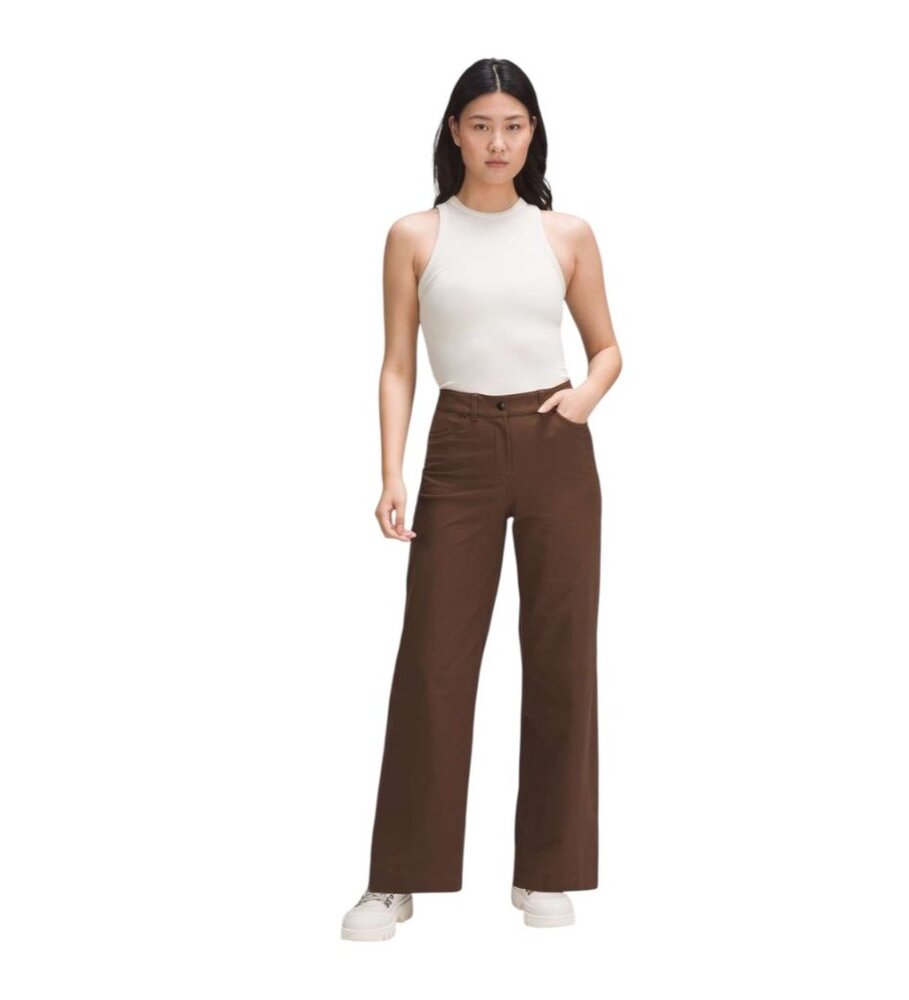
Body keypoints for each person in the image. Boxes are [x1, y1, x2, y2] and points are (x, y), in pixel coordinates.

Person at [341, 58, 622, 941]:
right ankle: (396, 878)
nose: (498, 142)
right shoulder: (415, 235)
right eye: (480, 125)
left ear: (533, 133)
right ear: (454, 133)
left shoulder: (565, 234)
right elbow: (397, 364)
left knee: (562, 655)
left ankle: (548, 871)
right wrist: (391, 473)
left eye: (514, 125)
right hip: (458, 443)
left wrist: (581, 401)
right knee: (433, 659)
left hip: (554, 441)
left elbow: (608, 348)